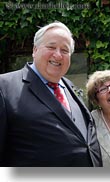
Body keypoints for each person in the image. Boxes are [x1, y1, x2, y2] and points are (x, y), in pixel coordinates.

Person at [0, 21, 102, 167]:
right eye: (51, 47)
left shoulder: (70, 87)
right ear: (35, 50)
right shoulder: (4, 87)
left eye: (65, 50)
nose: (58, 55)